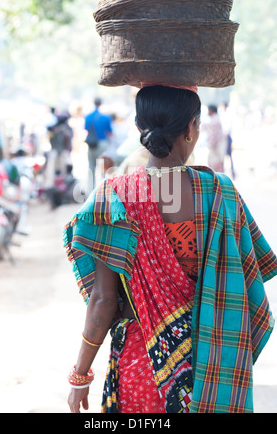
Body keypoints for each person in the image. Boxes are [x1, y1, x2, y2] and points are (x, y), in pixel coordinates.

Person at [64, 85, 277, 414]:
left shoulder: (113, 197)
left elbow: (103, 300)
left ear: (139, 130)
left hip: (140, 364)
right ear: (192, 128)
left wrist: (80, 374)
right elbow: (247, 282)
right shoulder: (222, 194)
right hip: (210, 365)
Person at [84, 98, 113, 185]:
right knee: (103, 169)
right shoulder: (106, 117)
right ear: (101, 104)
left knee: (91, 167)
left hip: (91, 144)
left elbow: (86, 130)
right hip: (102, 144)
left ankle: (91, 189)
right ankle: (102, 189)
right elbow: (109, 132)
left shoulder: (88, 117)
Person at [204, 104, 226, 173]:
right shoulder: (216, 118)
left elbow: (213, 135)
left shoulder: (214, 120)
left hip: (216, 146)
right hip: (218, 145)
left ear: (211, 110)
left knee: (215, 163)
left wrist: (213, 146)